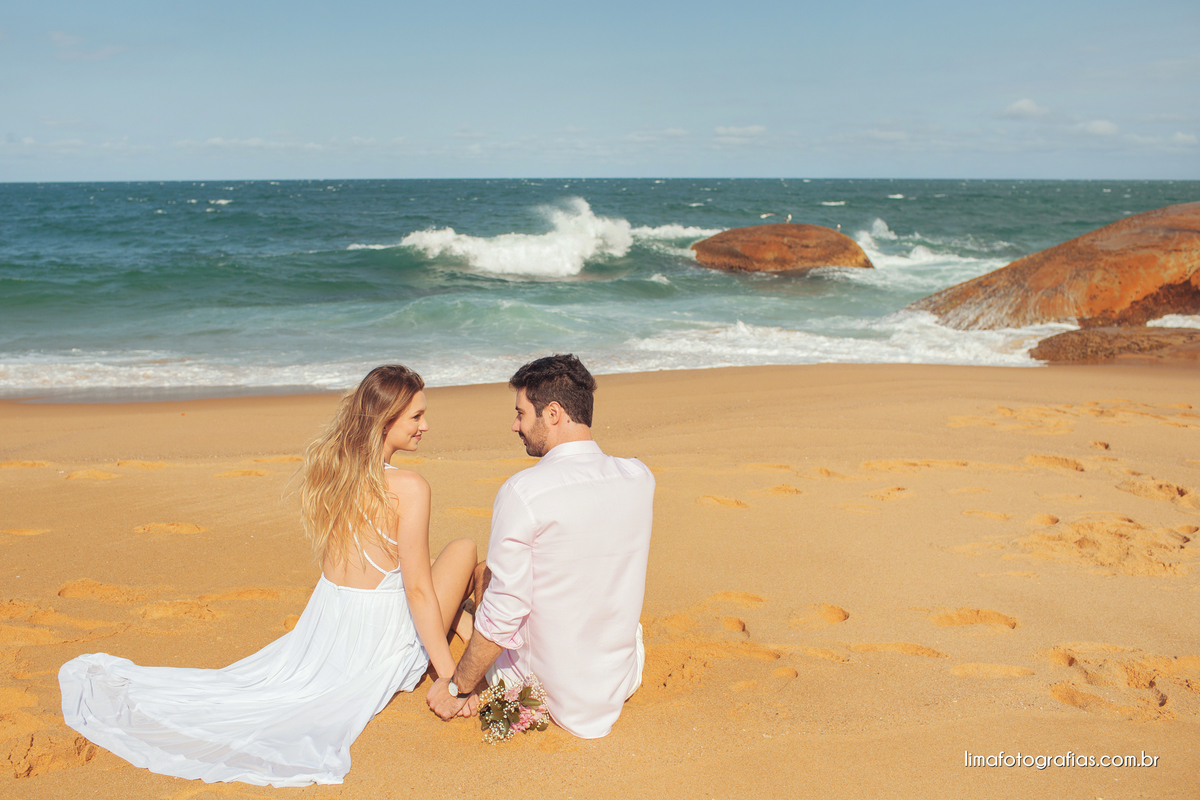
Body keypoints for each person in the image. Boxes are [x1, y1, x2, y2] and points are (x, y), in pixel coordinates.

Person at [59, 364, 477, 787]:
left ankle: (459, 610)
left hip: (327, 624)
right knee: (463, 548)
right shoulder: (409, 486)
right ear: (385, 422)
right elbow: (418, 591)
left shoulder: (334, 467)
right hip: (377, 635)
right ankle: (459, 612)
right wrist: (451, 679)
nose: (426, 425)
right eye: (416, 417)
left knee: (439, 563)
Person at [426, 354, 654, 738]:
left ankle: (465, 632)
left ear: (552, 414)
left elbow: (505, 610)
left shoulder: (525, 492)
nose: (515, 425)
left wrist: (457, 686)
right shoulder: (638, 476)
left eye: (520, 413)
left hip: (549, 691)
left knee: (486, 575)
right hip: (618, 680)